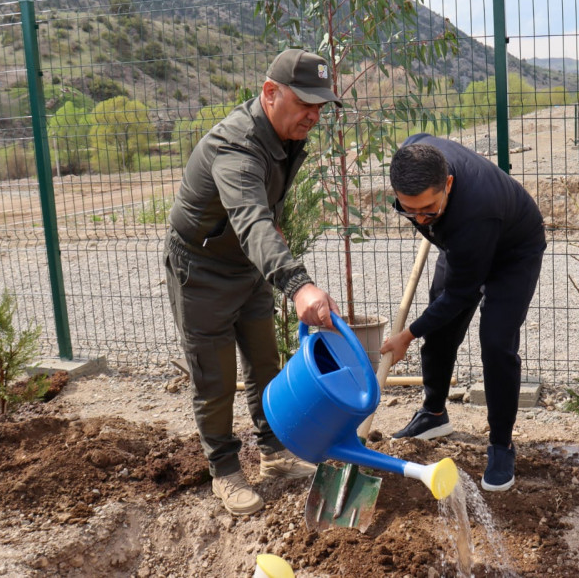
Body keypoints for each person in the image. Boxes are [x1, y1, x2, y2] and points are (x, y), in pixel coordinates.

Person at [164, 48, 342, 516]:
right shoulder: (235, 146)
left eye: (320, 106)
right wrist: (299, 284)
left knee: (265, 363)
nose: (314, 116)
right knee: (215, 375)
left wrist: (275, 233)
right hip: (200, 270)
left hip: (247, 265)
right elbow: (250, 219)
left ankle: (274, 454)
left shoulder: (283, 134)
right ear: (270, 93)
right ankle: (224, 469)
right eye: (306, 103)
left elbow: (266, 211)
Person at [380, 133, 546, 492]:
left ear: (449, 184)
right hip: (461, 244)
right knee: (440, 333)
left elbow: (459, 295)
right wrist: (432, 218)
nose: (420, 220)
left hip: (512, 252)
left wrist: (407, 334)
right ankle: (434, 413)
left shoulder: (476, 211)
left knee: (496, 344)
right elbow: (451, 288)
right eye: (409, 209)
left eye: (429, 211)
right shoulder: (413, 156)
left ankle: (501, 445)